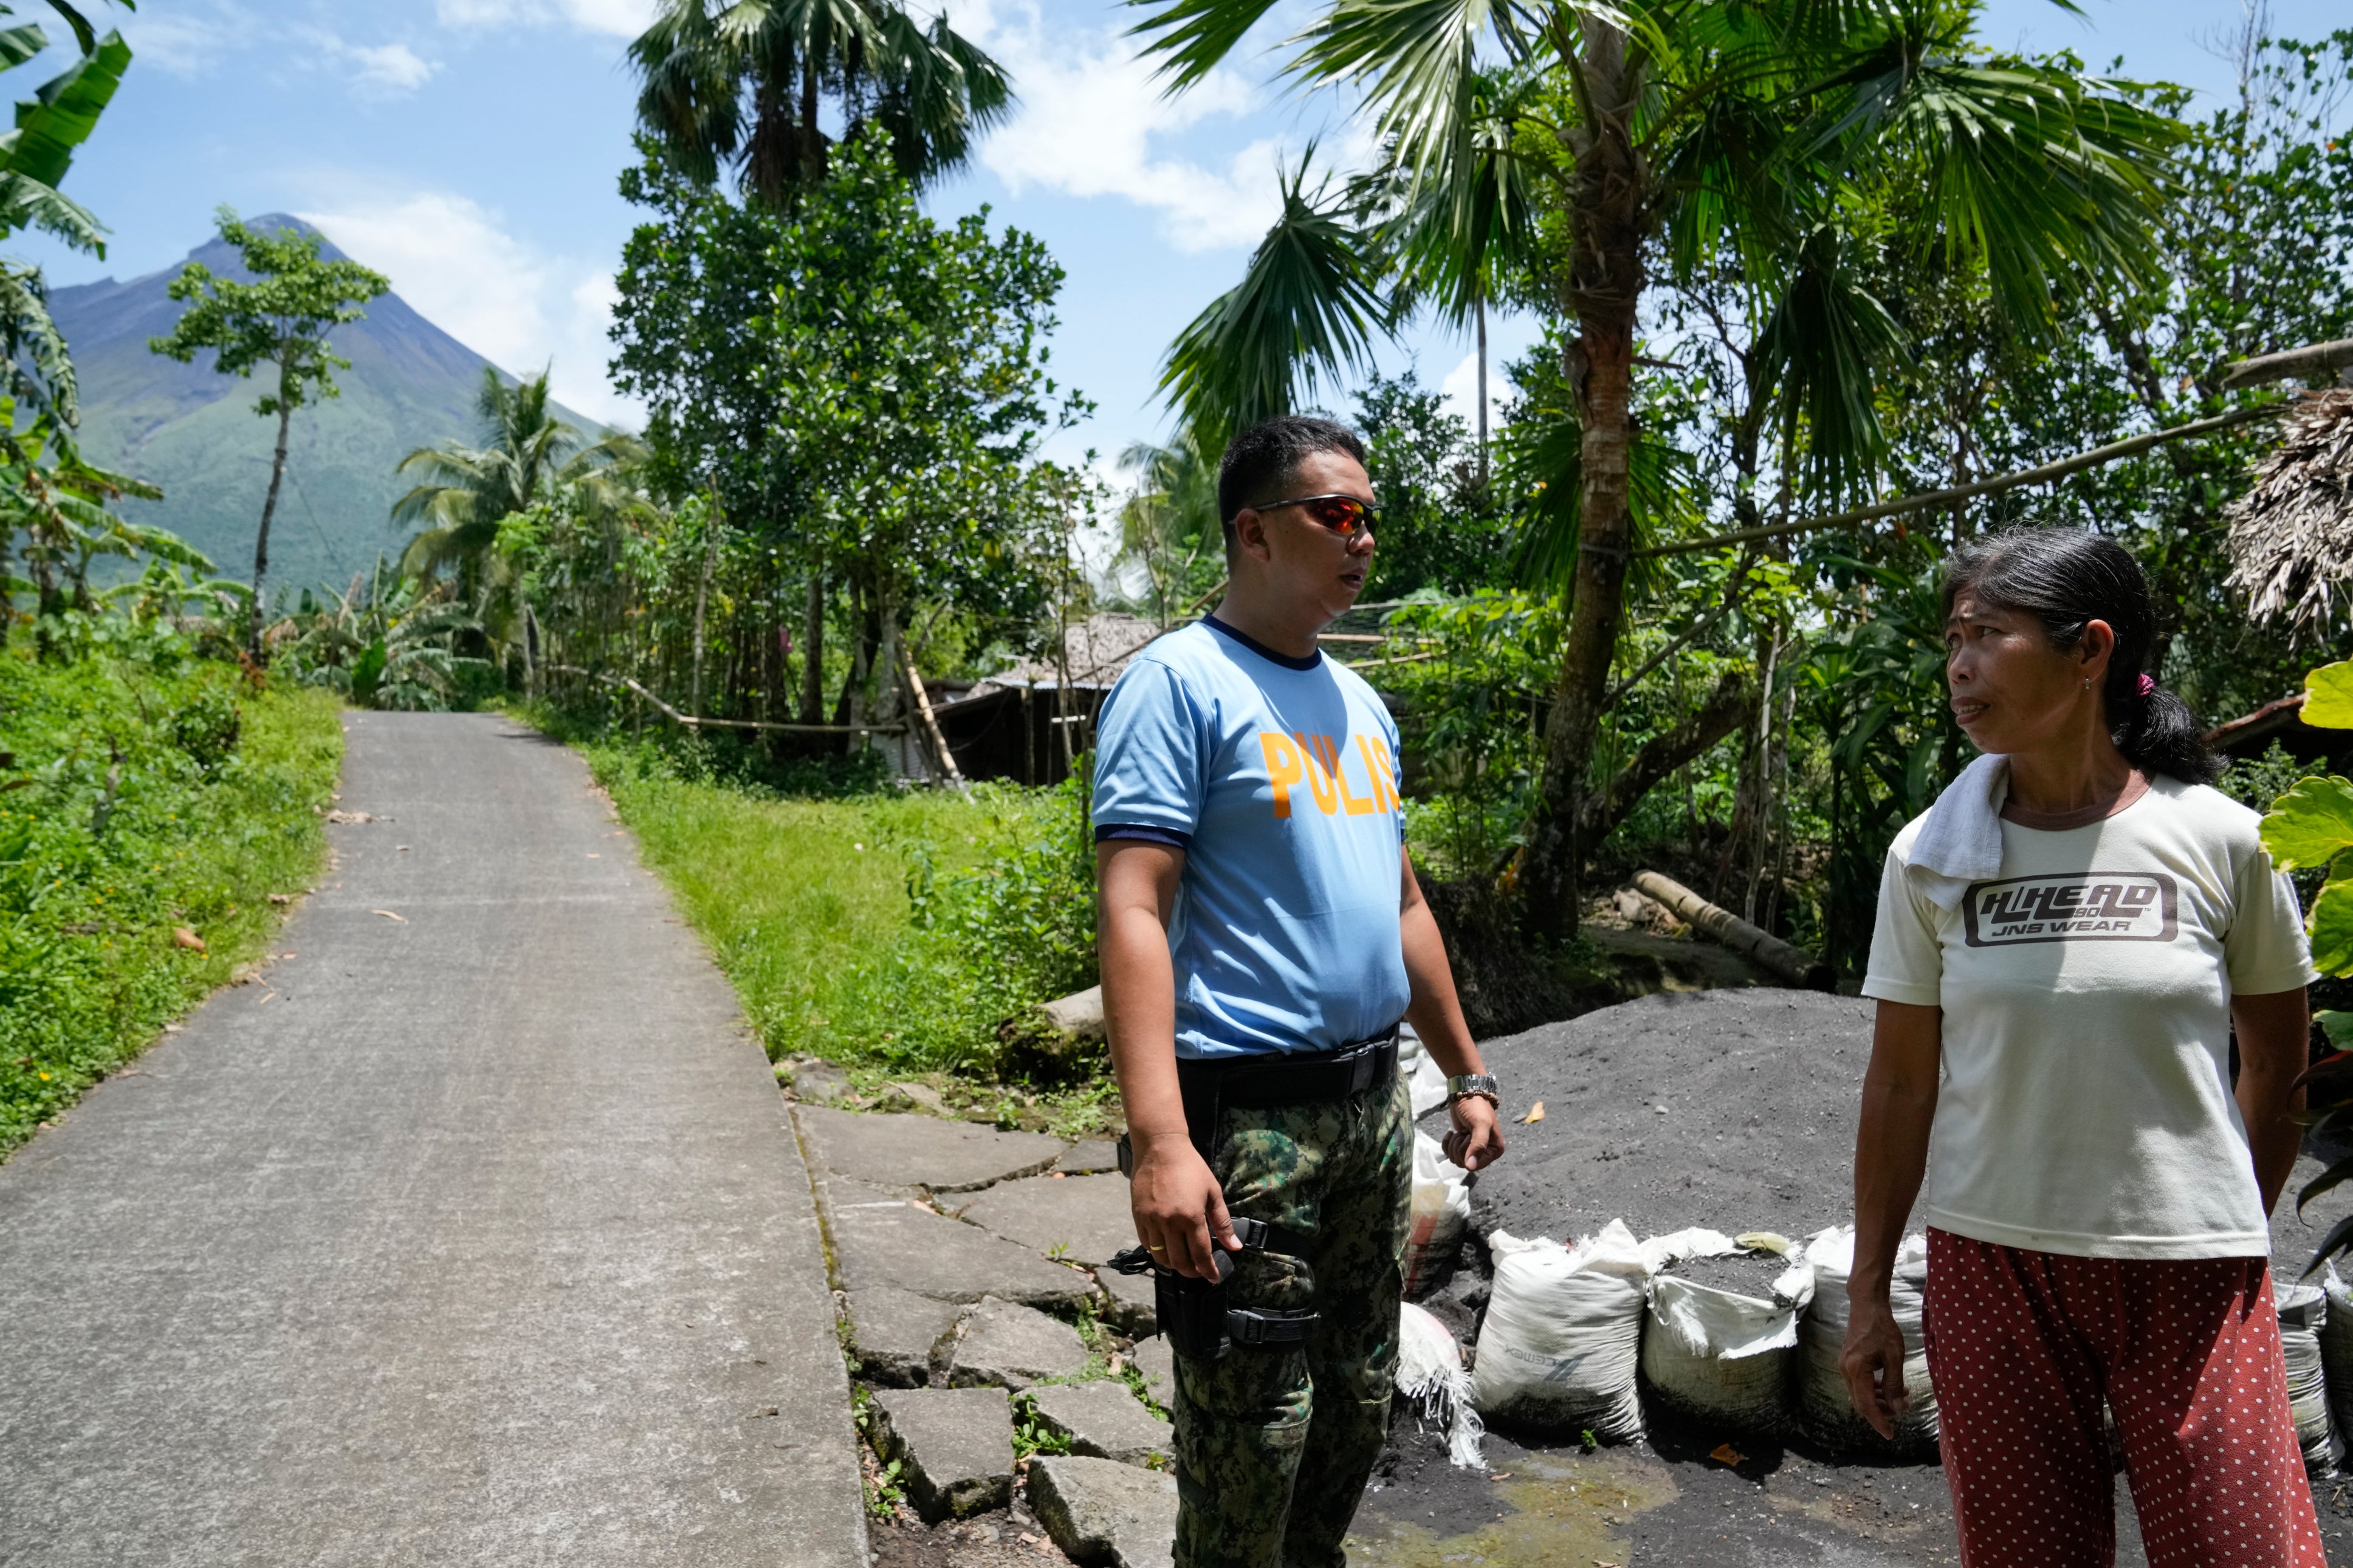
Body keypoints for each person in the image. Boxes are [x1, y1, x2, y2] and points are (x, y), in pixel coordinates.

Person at [1843, 526, 2325, 1567]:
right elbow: (1899, 1083)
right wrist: (1871, 1290)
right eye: (1951, 638)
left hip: (2190, 1276)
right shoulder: (1928, 858)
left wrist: (2225, 1217)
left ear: (2090, 648)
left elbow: (2279, 1061)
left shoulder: (2224, 841)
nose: (1959, 664)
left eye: (1987, 634)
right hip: (1991, 1269)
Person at [1091, 415, 1506, 1568]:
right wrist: (1160, 1142)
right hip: (1250, 1121)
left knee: (1354, 1401)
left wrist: (1465, 1073)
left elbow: (1404, 902)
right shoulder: (1178, 685)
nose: (1363, 536)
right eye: (1336, 512)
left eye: (1371, 513)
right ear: (1253, 533)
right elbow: (1134, 909)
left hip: (1373, 1113)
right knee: (1252, 1429)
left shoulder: (1359, 706)